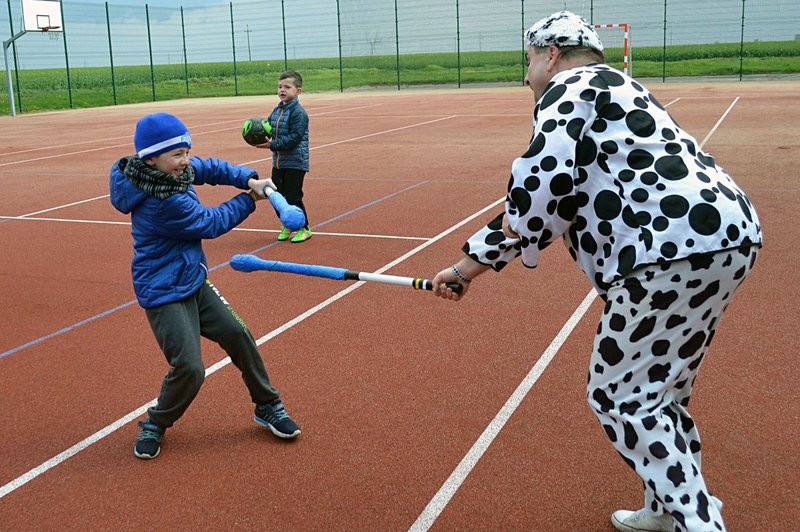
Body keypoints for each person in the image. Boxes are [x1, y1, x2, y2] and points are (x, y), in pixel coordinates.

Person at [431, 11, 761, 532]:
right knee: (659, 392)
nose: (526, 76)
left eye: (528, 61)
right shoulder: (621, 88)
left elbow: (540, 190)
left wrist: (480, 256)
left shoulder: (566, 89)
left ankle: (699, 523)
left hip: (665, 250)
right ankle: (665, 507)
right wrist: (467, 266)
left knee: (621, 396)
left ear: (551, 55)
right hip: (726, 234)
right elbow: (555, 204)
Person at [109, 112, 301, 460]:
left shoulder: (169, 170)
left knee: (238, 334)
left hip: (193, 279)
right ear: (150, 159)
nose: (185, 160)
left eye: (186, 151)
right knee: (190, 368)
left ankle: (267, 404)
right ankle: (156, 422)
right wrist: (251, 198)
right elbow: (210, 222)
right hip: (164, 292)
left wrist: (248, 178)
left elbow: (208, 167)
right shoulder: (163, 202)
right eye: (177, 155)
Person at [256, 69, 312, 243]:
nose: (282, 90)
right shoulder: (277, 110)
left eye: (287, 87)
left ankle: (304, 228)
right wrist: (258, 133)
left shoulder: (298, 113)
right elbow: (268, 128)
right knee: (276, 196)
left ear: (298, 91)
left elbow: (294, 138)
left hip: (296, 162)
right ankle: (288, 223)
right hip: (279, 162)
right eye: (280, 86)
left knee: (293, 197)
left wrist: (271, 144)